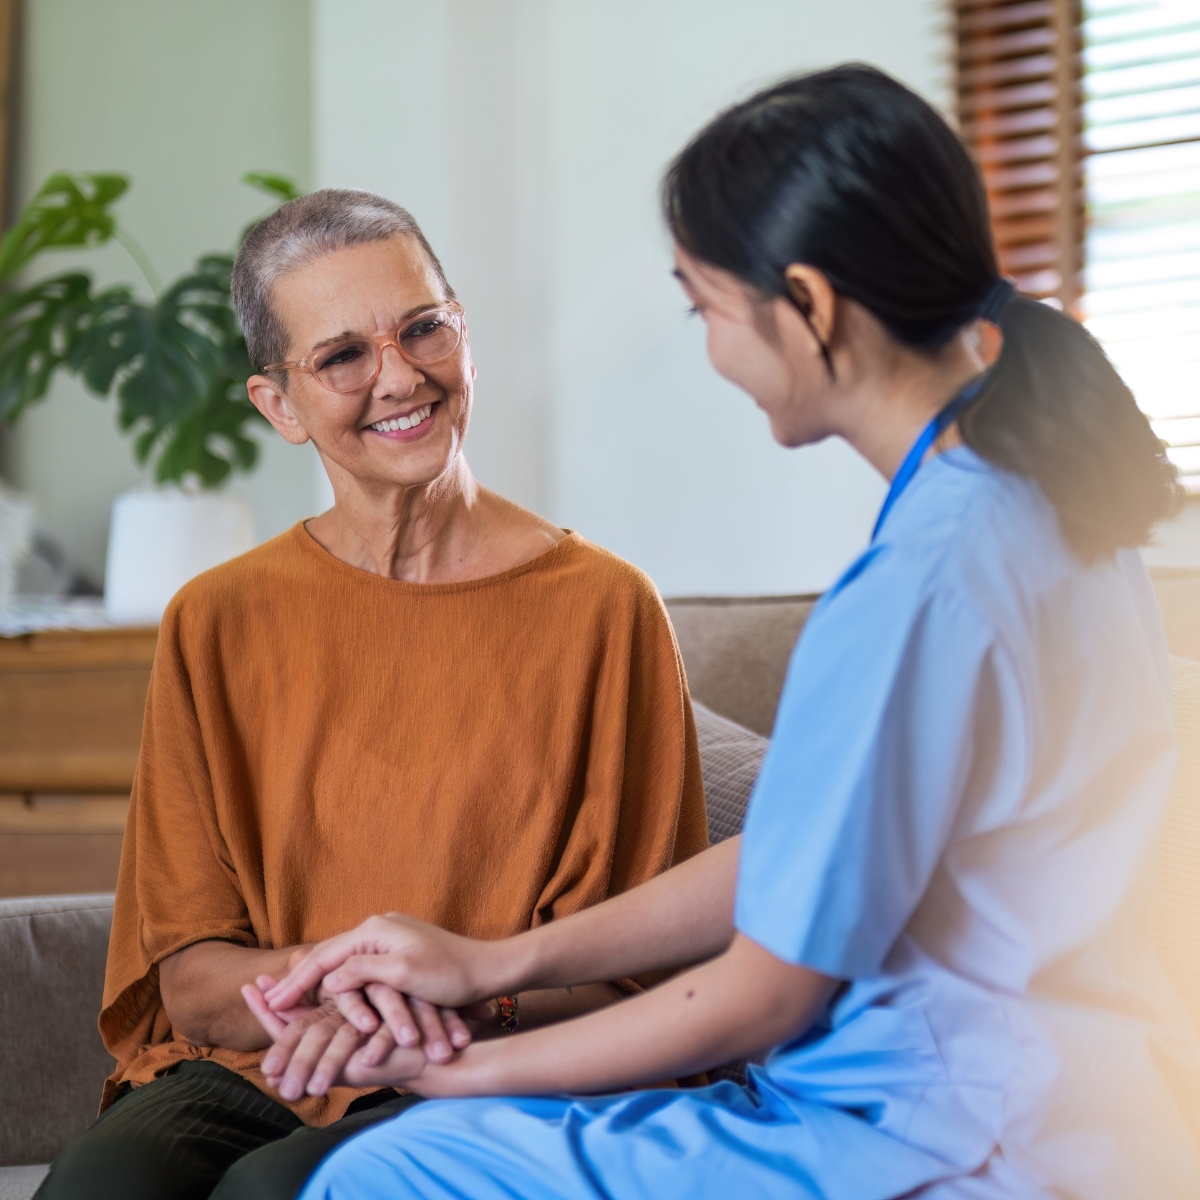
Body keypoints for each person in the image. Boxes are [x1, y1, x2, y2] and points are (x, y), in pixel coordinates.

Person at [250, 66, 1200, 1199]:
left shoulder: (919, 589)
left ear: (808, 306)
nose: (709, 348)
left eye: (705, 307)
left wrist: (453, 1069)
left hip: (956, 1132)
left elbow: (766, 992)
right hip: (1075, 1098)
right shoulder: (1047, 502)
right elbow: (818, 848)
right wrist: (495, 961)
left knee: (389, 1173)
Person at [33, 190, 709, 1200]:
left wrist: (438, 1012)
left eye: (424, 328)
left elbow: (645, 971)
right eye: (342, 356)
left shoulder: (606, 608)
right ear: (279, 406)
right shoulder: (216, 619)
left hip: (496, 1067)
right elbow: (188, 976)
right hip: (268, 1059)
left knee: (277, 1193)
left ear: (464, 336)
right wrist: (352, 999)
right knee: (102, 1187)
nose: (400, 376)